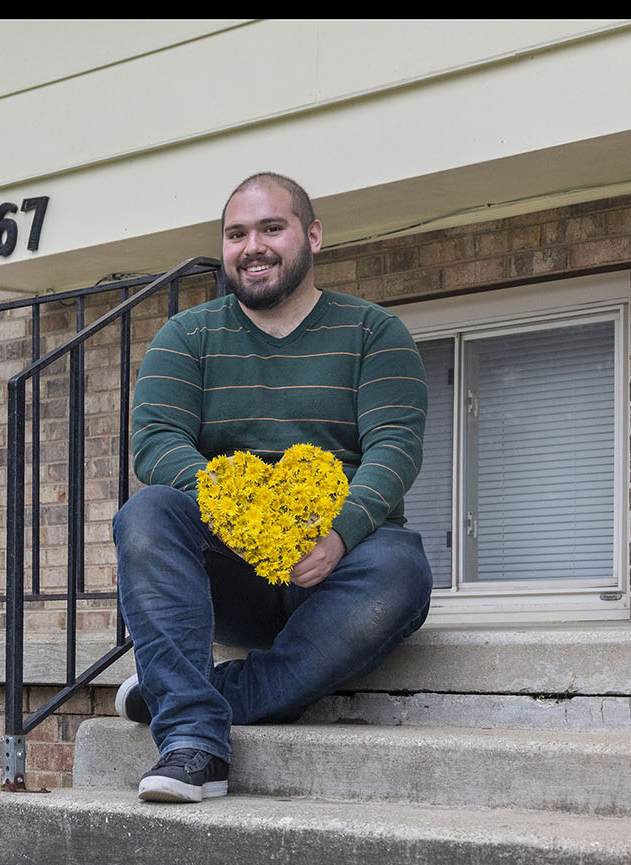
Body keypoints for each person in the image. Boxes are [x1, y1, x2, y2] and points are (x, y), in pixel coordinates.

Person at [112, 172, 433, 802]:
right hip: (233, 563)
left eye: (271, 228)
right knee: (146, 514)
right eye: (236, 234)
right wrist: (240, 507)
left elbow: (394, 447)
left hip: (342, 569)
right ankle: (192, 746)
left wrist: (340, 535)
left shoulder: (375, 333)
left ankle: (184, 692)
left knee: (404, 569)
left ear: (312, 236)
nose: (251, 245)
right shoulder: (186, 339)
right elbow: (156, 443)